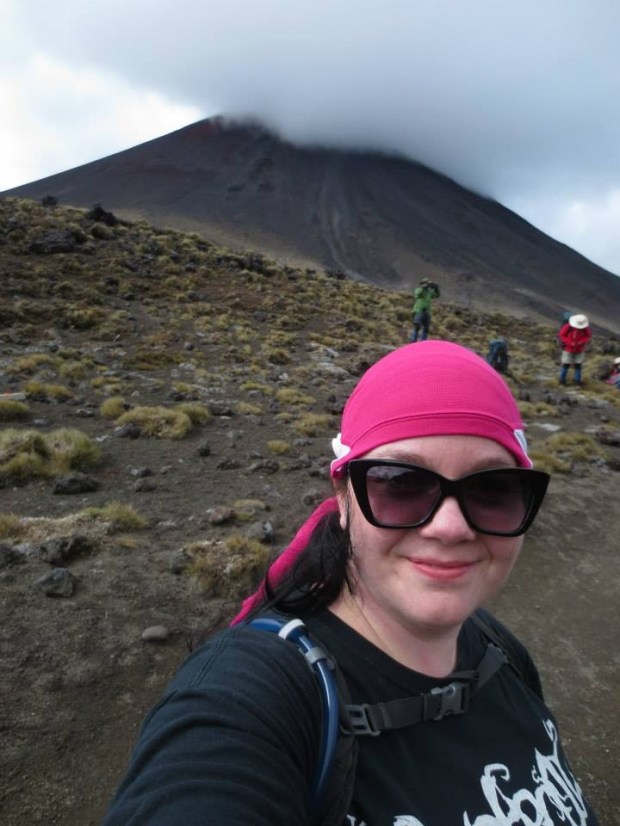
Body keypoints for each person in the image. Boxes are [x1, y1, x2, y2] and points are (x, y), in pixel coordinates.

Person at [103, 341, 599, 825]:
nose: (450, 528)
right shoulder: (255, 698)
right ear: (342, 498)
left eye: (493, 488)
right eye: (401, 483)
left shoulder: (504, 655)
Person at [557, 313, 592, 386]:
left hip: (579, 349)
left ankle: (577, 381)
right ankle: (562, 380)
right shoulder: (567, 327)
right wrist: (570, 343)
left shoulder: (585, 328)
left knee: (578, 365)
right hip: (568, 349)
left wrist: (581, 342)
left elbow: (588, 336)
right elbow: (562, 335)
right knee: (566, 364)